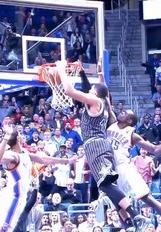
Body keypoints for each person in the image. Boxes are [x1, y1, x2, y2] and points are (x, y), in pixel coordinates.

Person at [59, 61, 144, 229]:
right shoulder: (104, 103)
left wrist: (61, 70)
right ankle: (128, 222)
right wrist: (94, 75)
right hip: (100, 147)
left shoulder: (95, 101)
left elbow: (69, 91)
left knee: (105, 185)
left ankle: (135, 215)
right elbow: (100, 90)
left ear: (95, 93)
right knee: (107, 187)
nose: (89, 91)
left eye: (92, 90)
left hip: (96, 146)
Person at [0, 117, 76, 232]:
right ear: (19, 138)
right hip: (12, 197)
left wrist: (66, 161)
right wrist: (6, 136)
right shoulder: (13, 156)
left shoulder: (24, 152)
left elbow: (43, 159)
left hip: (17, 196)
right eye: (20, 134)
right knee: (3, 229)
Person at [107, 109, 161, 231]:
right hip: (111, 169)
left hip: (124, 168)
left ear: (129, 120)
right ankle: (129, 227)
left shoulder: (132, 135)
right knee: (118, 203)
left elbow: (154, 150)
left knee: (147, 199)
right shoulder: (112, 122)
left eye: (124, 113)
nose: (121, 112)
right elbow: (106, 101)